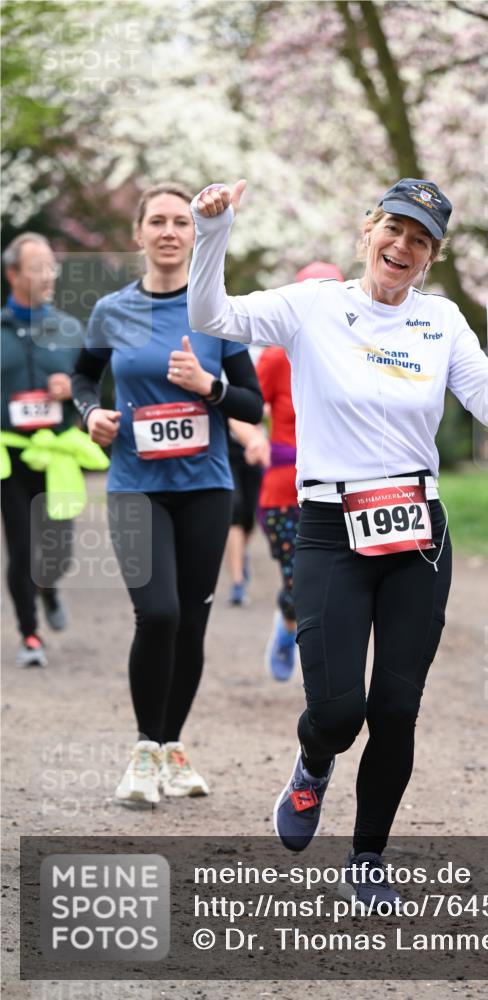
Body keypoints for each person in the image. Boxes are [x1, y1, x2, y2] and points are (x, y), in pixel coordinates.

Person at [188, 176, 488, 908]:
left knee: (396, 709)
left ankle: (367, 856)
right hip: (330, 529)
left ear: (431, 257)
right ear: (366, 230)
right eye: (393, 230)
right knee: (338, 714)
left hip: (417, 534)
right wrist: (212, 231)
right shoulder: (314, 307)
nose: (402, 246)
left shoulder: (440, 323)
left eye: (420, 240)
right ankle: (312, 764)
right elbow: (210, 314)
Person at [71, 182, 263, 807]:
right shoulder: (111, 311)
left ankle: (172, 750)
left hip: (206, 487)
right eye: (157, 221)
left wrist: (207, 386)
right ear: (139, 234)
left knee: (192, 622)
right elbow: (81, 376)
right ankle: (142, 752)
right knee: (158, 614)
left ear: (195, 233)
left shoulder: (215, 312)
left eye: (182, 221)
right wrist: (88, 415)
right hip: (134, 487)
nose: (170, 232)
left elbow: (252, 405)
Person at [232, 261, 344, 681]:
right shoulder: (277, 357)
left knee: (337, 584)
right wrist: (254, 439)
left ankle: (320, 658)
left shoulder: (360, 352)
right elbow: (242, 411)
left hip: (345, 487)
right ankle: (289, 621)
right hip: (284, 487)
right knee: (300, 580)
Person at [1, 233, 83, 666]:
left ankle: (48, 588)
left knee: (56, 552)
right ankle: (29, 635)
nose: (49, 275)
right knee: (20, 545)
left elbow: (91, 389)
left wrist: (71, 389)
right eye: (38, 267)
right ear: (13, 274)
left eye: (52, 266)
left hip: (58, 456)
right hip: (11, 455)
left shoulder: (69, 330)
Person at [224, 422, 263, 606]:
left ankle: (240, 554)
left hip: (253, 451)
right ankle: (237, 582)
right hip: (225, 453)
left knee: (249, 518)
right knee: (236, 511)